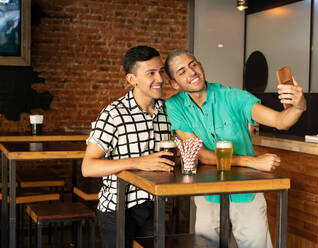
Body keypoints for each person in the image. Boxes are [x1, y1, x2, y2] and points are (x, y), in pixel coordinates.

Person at [164, 50, 306, 248]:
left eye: (193, 64)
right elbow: (201, 155)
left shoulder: (233, 97)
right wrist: (252, 161)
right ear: (174, 83)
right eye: (182, 71)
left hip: (247, 190)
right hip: (207, 192)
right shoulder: (174, 106)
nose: (192, 72)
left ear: (201, 65)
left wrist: (298, 106)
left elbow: (281, 121)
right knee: (206, 246)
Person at [82, 46, 175, 248]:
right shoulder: (113, 114)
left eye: (161, 71)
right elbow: (88, 167)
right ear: (132, 79)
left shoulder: (167, 111)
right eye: (151, 73)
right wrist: (139, 162)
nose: (159, 78)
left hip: (155, 204)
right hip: (117, 209)